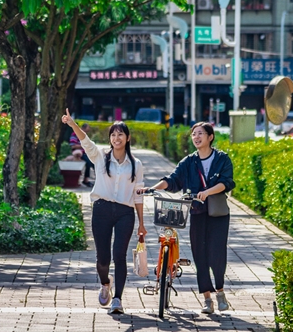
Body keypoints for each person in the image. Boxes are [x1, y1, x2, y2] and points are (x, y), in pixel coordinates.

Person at [138, 122, 234, 314]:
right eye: (194, 135)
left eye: (200, 134)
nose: (196, 137)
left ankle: (221, 292)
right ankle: (207, 299)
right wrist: (151, 188)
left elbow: (227, 182)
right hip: (197, 213)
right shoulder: (189, 162)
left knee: (216, 254)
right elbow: (173, 180)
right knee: (200, 255)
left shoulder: (222, 158)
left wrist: (207, 192)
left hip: (218, 214)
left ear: (210, 137)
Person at [62, 109, 145, 315]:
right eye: (113, 134)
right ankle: (105, 283)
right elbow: (86, 142)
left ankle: (117, 299)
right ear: (110, 138)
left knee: (120, 255)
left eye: (120, 134)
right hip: (102, 209)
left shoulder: (137, 165)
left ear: (127, 138)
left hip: (126, 212)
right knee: (103, 259)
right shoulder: (100, 157)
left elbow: (138, 195)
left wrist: (142, 223)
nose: (117, 138)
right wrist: (73, 124)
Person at [68, 123, 96, 187]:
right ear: (84, 128)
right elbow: (73, 146)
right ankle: (85, 180)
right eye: (87, 129)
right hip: (78, 153)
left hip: (85, 153)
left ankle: (98, 180)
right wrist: (83, 146)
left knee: (94, 162)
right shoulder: (74, 134)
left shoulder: (84, 136)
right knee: (88, 162)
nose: (88, 130)